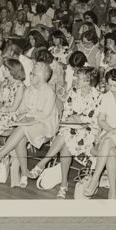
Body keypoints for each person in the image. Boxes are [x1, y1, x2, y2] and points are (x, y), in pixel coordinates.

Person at [27, 67, 102, 199]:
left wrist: (79, 119)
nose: (75, 80)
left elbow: (96, 117)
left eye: (78, 78)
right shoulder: (73, 92)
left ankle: (45, 167)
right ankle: (62, 184)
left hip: (88, 131)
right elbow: (67, 110)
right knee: (66, 137)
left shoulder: (99, 96)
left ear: (88, 81)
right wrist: (70, 118)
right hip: (71, 128)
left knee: (66, 137)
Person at [0, 62, 59, 189]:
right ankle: (24, 173)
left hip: (45, 125)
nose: (30, 75)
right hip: (29, 124)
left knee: (22, 128)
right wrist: (18, 117)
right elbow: (22, 109)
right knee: (20, 137)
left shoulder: (49, 91)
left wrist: (27, 118)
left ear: (40, 77)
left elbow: (44, 115)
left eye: (32, 74)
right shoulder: (29, 89)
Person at [83, 68, 116, 199]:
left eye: (115, 85)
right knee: (111, 151)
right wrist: (109, 131)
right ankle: (112, 192)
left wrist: (111, 132)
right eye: (110, 85)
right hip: (108, 133)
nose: (112, 88)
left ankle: (94, 179)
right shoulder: (106, 97)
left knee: (107, 141)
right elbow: (100, 119)